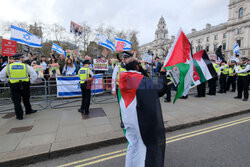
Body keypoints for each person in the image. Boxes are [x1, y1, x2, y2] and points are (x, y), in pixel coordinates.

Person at [119, 57, 166, 167]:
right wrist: (162, 74)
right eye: (140, 64)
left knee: (132, 145)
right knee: (142, 147)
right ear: (136, 66)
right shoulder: (140, 79)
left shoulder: (123, 77)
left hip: (127, 118)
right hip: (139, 119)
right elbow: (159, 90)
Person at [0, 53, 38, 120]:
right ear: (20, 58)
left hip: (14, 86)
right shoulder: (26, 66)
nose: (23, 59)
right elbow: (34, 75)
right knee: (26, 99)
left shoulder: (8, 66)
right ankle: (28, 110)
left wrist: (7, 81)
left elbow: (1, 76)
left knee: (16, 101)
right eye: (22, 57)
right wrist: (30, 82)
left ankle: (19, 116)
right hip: (25, 84)